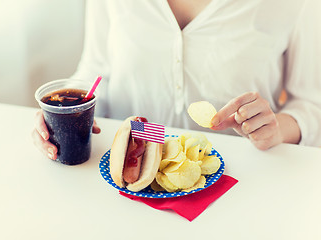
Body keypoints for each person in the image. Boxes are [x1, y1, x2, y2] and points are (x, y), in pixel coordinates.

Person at [32, 0, 321, 160]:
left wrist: (277, 131)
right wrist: (62, 113)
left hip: (237, 182)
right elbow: (96, 72)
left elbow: (311, 104)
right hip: (127, 174)